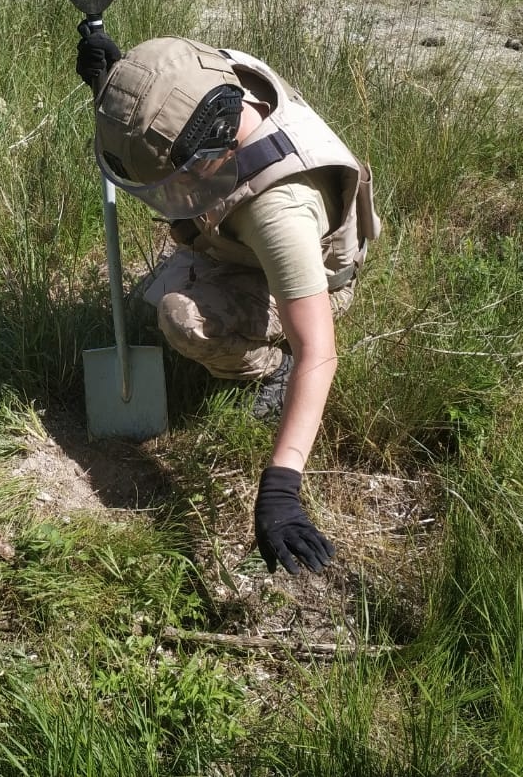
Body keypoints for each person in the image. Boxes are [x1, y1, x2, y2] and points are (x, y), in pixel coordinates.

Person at [76, 29, 380, 576]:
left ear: (206, 156)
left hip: (309, 280)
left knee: (181, 317)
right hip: (244, 247)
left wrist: (282, 486)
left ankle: (269, 370)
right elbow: (173, 94)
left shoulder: (278, 212)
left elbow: (320, 350)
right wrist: (126, 86)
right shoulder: (222, 81)